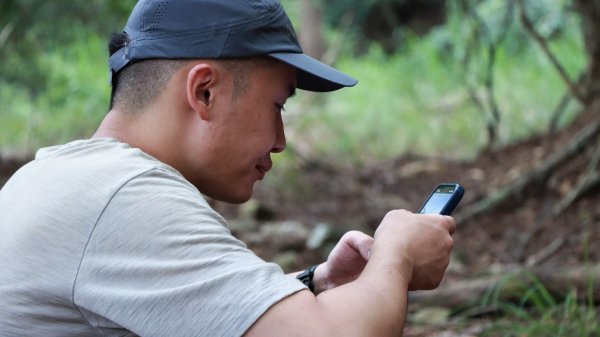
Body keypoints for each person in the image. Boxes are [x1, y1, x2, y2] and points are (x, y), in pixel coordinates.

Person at [0, 1, 455, 336]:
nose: (279, 141)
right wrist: (399, 250)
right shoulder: (124, 198)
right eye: (276, 105)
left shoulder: (56, 177)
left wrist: (315, 285)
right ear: (204, 92)